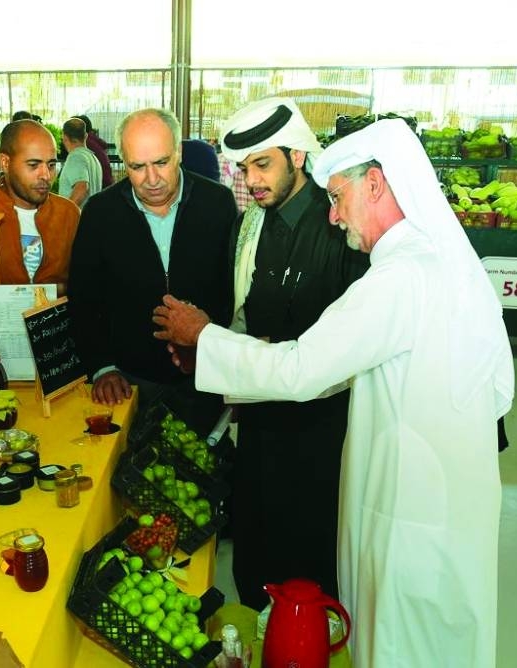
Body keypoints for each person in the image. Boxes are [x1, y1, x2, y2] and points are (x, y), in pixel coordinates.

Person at [153, 118, 515, 667]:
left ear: (376, 185)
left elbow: (304, 369)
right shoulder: (439, 265)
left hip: (412, 515)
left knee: (402, 644)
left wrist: (205, 337)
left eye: (340, 197)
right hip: (440, 504)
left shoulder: (401, 279)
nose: (334, 214)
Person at [214, 97, 369, 607]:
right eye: (244, 168)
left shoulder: (339, 227)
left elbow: (349, 349)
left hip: (320, 430)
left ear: (297, 156)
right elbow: (246, 314)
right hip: (261, 420)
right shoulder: (251, 225)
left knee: (309, 546)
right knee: (258, 538)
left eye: (263, 164)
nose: (252, 180)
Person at [67, 108, 236, 435]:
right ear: (123, 163)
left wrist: (218, 351)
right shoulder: (100, 213)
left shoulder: (218, 203)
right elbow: (84, 299)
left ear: (179, 153)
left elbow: (232, 291)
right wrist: (102, 368)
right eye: (137, 167)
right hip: (129, 384)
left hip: (203, 378)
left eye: (161, 162)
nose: (152, 179)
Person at [0, 120, 80, 295]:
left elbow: (86, 280)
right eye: (33, 165)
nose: (45, 175)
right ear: (5, 163)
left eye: (51, 165)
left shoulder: (68, 214)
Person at [58, 117, 103, 208]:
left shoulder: (75, 157)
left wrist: (64, 214)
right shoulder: (93, 158)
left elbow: (82, 188)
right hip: (90, 219)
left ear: (64, 137)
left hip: (77, 220)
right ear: (85, 136)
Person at [74, 114, 114, 187]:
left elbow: (82, 187)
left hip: (101, 190)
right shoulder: (94, 141)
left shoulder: (86, 144)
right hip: (107, 186)